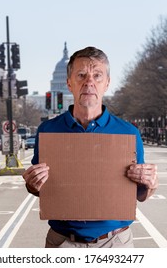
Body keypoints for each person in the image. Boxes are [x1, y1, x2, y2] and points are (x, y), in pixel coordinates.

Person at [23, 46, 158, 248]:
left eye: (97, 76)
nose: (89, 82)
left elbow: (139, 194)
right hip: (62, 241)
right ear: (69, 83)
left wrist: (150, 184)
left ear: (107, 83)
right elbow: (41, 190)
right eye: (81, 75)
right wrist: (32, 184)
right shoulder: (48, 131)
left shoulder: (129, 133)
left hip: (115, 242)